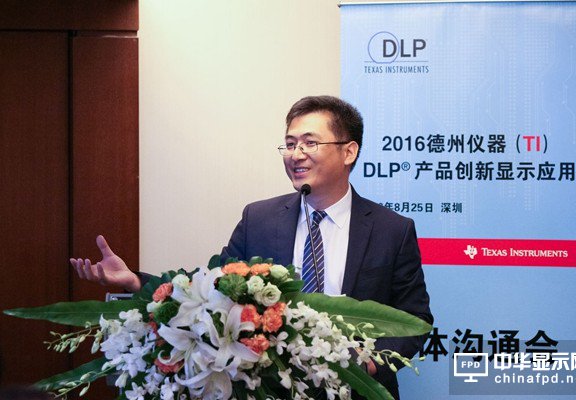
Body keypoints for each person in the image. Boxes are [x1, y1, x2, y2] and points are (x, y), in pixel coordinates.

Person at [71, 95, 433, 399]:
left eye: (310, 143)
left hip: (355, 391)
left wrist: (369, 364)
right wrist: (135, 281)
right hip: (270, 389)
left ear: (349, 151)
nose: (296, 154)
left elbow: (415, 319)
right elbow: (210, 290)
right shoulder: (259, 218)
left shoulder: (391, 230)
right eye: (289, 144)